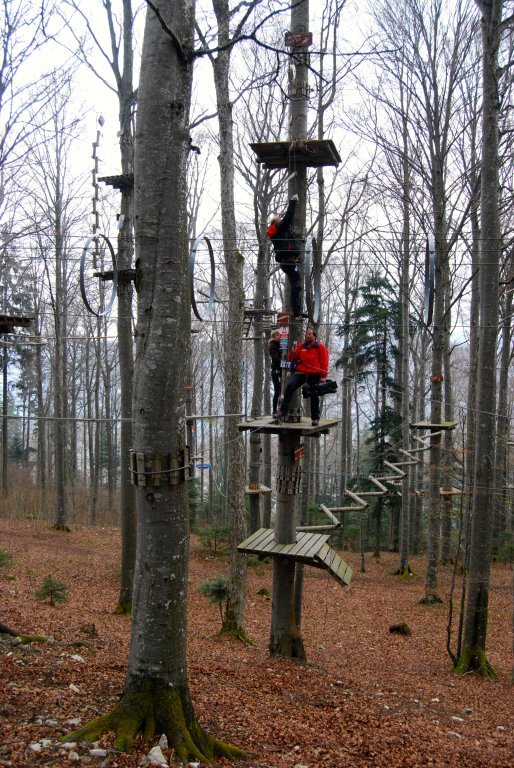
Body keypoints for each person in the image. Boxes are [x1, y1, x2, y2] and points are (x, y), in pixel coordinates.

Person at [277, 328, 328, 426]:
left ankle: (315, 418)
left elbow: (324, 362)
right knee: (290, 386)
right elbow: (292, 358)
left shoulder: (320, 347)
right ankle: (283, 410)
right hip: (301, 373)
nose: (307, 335)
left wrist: (323, 376)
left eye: (310, 334)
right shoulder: (301, 347)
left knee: (314, 395)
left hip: (314, 374)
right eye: (307, 334)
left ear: (314, 336)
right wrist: (293, 351)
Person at [266, 195, 306, 319]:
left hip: (288, 261)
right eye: (280, 218)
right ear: (276, 222)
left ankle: (298, 310)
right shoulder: (278, 228)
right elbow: (288, 217)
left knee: (297, 285)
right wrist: (293, 202)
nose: (282, 219)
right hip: (288, 261)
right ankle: (297, 311)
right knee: (297, 285)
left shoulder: (279, 231)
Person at [269, 329, 283, 417]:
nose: (280, 336)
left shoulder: (282, 344)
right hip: (276, 370)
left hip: (281, 369)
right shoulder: (273, 345)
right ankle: (274, 410)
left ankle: (280, 409)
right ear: (274, 336)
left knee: (282, 390)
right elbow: (275, 358)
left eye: (280, 335)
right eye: (278, 335)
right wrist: (283, 363)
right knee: (277, 391)